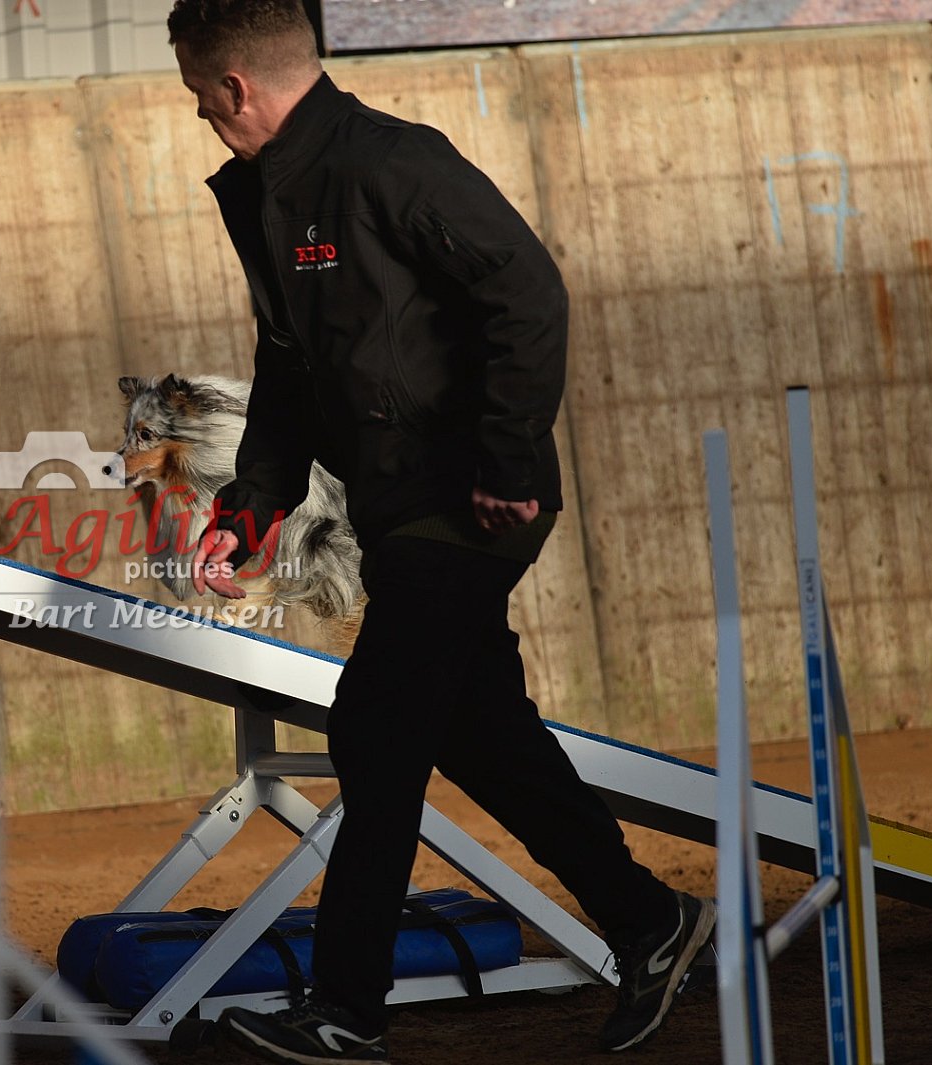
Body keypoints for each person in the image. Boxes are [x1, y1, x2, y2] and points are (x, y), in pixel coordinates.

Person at [165, 2, 715, 1061]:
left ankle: (344, 1011)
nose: (201, 116)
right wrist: (251, 507)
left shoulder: (391, 163)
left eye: (201, 96)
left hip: (469, 500)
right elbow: (288, 361)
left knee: (376, 725)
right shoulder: (269, 194)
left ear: (235, 86)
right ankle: (650, 921)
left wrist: (506, 459)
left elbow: (528, 292)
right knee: (477, 729)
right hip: (399, 506)